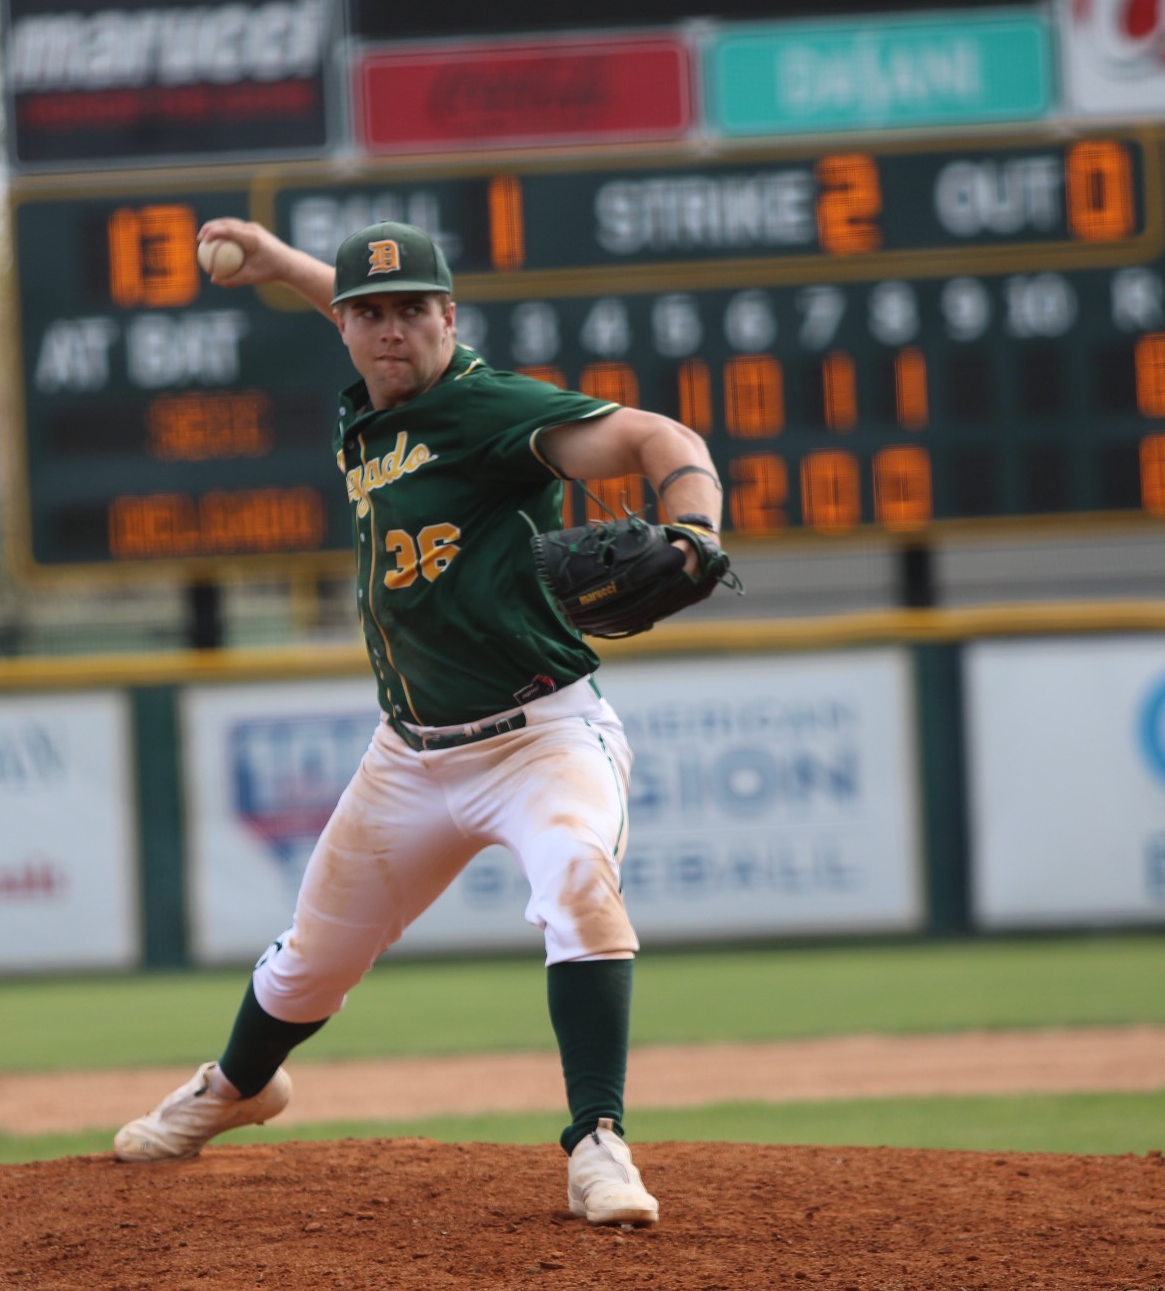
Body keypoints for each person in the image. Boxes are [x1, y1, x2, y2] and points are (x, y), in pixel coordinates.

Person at [110, 218, 728, 1227]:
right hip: (409, 754)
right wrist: (276, 264)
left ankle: (597, 1141)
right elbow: (359, 310)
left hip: (540, 735)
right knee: (310, 957)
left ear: (450, 316)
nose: (388, 332)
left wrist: (696, 524)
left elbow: (660, 437)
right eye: (368, 315)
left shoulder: (487, 408)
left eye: (411, 311)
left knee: (577, 877)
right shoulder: (371, 396)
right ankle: (234, 1087)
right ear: (346, 326)